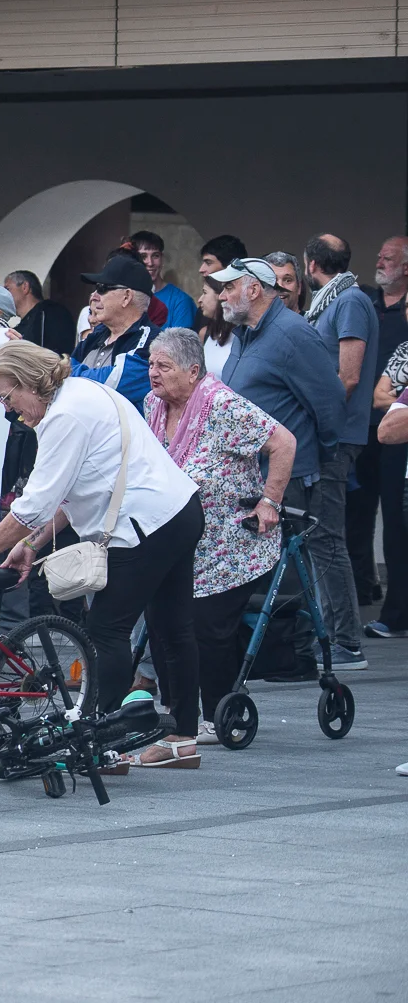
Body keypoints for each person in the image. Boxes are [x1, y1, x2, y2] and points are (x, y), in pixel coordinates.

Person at [0, 342, 205, 764]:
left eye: (7, 396)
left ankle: (101, 743)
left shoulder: (64, 417)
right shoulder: (86, 393)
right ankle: (181, 737)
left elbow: (34, 505)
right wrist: (31, 544)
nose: (8, 409)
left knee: (106, 631)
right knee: (172, 627)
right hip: (176, 511)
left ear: (29, 383)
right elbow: (71, 491)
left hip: (142, 527)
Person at [143, 328, 295, 743]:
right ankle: (176, 714)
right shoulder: (153, 404)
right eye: (151, 364)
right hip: (175, 539)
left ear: (193, 371)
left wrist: (270, 502)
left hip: (229, 543)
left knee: (206, 627)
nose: (153, 373)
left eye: (164, 366)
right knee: (160, 621)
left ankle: (218, 713)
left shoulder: (223, 405)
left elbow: (284, 442)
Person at [212, 256, 360, 669]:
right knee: (263, 565)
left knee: (295, 566)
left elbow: (330, 402)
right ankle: (274, 652)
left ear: (253, 289)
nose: (222, 295)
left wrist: (319, 456)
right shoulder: (245, 333)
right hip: (250, 473)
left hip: (290, 472)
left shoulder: (292, 333)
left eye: (229, 287)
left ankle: (307, 651)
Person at [298, 233, 375, 666]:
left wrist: (321, 423)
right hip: (327, 434)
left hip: (335, 436)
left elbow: (348, 376)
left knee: (326, 538)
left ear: (311, 264)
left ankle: (346, 641)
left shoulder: (350, 301)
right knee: (317, 537)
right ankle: (331, 635)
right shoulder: (332, 302)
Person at [352, 235, 408, 613]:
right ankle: (361, 587)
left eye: (387, 258)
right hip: (363, 423)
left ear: (406, 267)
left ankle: (397, 605)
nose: (379, 262)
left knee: (394, 512)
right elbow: (376, 392)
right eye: (379, 256)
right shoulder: (366, 304)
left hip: (397, 430)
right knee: (357, 509)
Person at [69, 252, 158, 411]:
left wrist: (67, 376)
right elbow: (64, 370)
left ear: (126, 297)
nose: (94, 296)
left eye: (102, 288)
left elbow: (113, 382)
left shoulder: (153, 341)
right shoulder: (96, 336)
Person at [128, 231, 195, 330]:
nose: (150, 263)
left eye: (155, 256)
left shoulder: (180, 301)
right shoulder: (124, 296)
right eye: (143, 257)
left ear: (162, 258)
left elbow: (181, 340)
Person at [4, 270, 76, 355]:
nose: (4, 294)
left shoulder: (51, 312)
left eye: (7, 289)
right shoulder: (21, 326)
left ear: (25, 287)